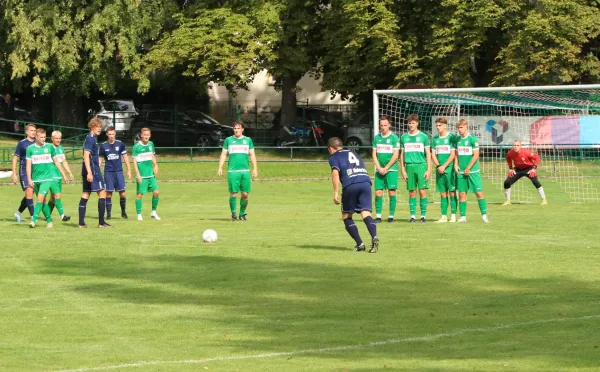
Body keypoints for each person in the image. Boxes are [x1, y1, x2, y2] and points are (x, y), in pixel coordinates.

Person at [328, 137, 378, 253]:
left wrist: (336, 192)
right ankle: (374, 237)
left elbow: (335, 173)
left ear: (331, 148)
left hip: (351, 184)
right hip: (366, 182)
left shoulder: (334, 157)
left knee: (346, 216)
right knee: (365, 213)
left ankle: (360, 244)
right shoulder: (353, 152)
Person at [25, 128, 69, 228]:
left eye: (44, 137)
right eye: (41, 137)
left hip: (47, 178)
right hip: (36, 179)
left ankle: (33, 220)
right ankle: (49, 221)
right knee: (43, 201)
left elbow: (57, 162)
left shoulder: (49, 147)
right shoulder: (30, 149)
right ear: (36, 137)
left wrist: (64, 174)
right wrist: (29, 179)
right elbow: (28, 165)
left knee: (40, 199)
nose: (43, 139)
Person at [217, 121, 258, 221]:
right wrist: (220, 167)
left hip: (245, 171)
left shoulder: (248, 140)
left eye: (238, 128)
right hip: (233, 171)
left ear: (242, 129)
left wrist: (255, 168)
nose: (236, 130)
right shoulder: (228, 140)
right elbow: (223, 154)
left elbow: (252, 154)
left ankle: (242, 214)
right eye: (235, 128)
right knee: (234, 193)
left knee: (245, 194)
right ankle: (234, 214)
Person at [453, 119, 489, 223]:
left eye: (461, 127)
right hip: (461, 172)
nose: (459, 130)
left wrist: (468, 168)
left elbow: (476, 155)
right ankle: (463, 217)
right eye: (458, 128)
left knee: (478, 193)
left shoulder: (472, 139)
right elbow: (456, 154)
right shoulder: (457, 140)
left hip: (473, 171)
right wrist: (456, 164)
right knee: (462, 194)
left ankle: (484, 216)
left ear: (466, 127)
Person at [79, 117, 112, 228]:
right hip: (92, 171)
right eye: (98, 127)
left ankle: (81, 223)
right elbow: (86, 155)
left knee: (86, 193)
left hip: (90, 169)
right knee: (102, 192)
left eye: (100, 127)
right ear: (92, 126)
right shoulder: (90, 138)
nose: (100, 129)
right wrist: (89, 172)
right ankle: (101, 223)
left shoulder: (91, 138)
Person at [400, 114, 431, 223]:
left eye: (413, 123)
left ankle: (423, 216)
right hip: (409, 167)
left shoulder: (423, 137)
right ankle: (413, 216)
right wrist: (403, 170)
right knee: (412, 192)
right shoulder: (404, 137)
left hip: (421, 166)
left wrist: (429, 170)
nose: (411, 125)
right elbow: (402, 155)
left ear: (417, 123)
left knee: (422, 191)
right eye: (409, 123)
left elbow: (428, 154)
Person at [372, 116, 400, 223]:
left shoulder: (394, 138)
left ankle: (391, 216)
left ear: (389, 125)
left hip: (391, 170)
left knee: (391, 192)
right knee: (378, 192)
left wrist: (386, 167)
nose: (383, 127)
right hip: (379, 170)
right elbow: (374, 154)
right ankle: (378, 216)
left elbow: (395, 155)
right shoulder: (377, 138)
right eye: (381, 125)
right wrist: (379, 167)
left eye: (385, 125)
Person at [99, 126, 132, 219]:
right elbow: (100, 159)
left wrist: (129, 170)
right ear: (106, 134)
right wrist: (97, 170)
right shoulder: (103, 145)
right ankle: (109, 214)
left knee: (122, 193)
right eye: (109, 134)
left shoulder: (120, 144)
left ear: (115, 134)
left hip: (119, 171)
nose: (111, 136)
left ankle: (123, 212)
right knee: (108, 193)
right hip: (108, 172)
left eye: (113, 134)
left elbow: (125, 157)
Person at [503, 140, 547, 206]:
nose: (516, 147)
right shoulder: (510, 153)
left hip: (529, 168)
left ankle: (544, 200)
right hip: (518, 169)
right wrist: (511, 168)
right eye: (514, 145)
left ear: (520, 146)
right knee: (507, 182)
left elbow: (537, 158)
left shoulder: (526, 152)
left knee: (535, 182)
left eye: (517, 145)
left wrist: (534, 168)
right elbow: (508, 158)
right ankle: (508, 201)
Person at [431, 118, 458, 222]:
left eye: (440, 125)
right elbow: (433, 154)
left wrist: (444, 166)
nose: (438, 127)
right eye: (437, 126)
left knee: (452, 192)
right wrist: (438, 166)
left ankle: (454, 215)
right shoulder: (435, 139)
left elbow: (453, 154)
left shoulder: (451, 137)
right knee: (442, 193)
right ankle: (443, 216)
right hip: (439, 170)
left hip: (450, 169)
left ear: (445, 126)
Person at [132, 127, 160, 221]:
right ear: (141, 135)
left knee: (156, 192)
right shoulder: (137, 146)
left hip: (151, 174)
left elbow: (152, 155)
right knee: (140, 194)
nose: (146, 136)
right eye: (145, 135)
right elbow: (134, 161)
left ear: (150, 135)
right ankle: (139, 214)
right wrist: (138, 174)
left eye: (148, 135)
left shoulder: (151, 144)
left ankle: (153, 212)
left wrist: (155, 165)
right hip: (142, 175)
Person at [11, 123, 36, 222]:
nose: (33, 132)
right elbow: (15, 158)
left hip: (35, 172)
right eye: (31, 130)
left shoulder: (37, 143)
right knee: (29, 192)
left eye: (34, 130)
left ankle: (17, 213)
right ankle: (34, 217)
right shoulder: (22, 143)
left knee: (28, 196)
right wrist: (14, 173)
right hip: (24, 172)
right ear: (26, 132)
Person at [48, 130, 75, 221]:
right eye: (56, 138)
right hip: (52, 176)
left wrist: (70, 173)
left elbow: (64, 161)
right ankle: (63, 215)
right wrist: (65, 175)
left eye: (59, 138)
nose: (58, 140)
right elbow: (56, 163)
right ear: (52, 139)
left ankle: (47, 214)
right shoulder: (49, 148)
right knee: (57, 196)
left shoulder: (61, 148)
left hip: (58, 176)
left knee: (53, 197)